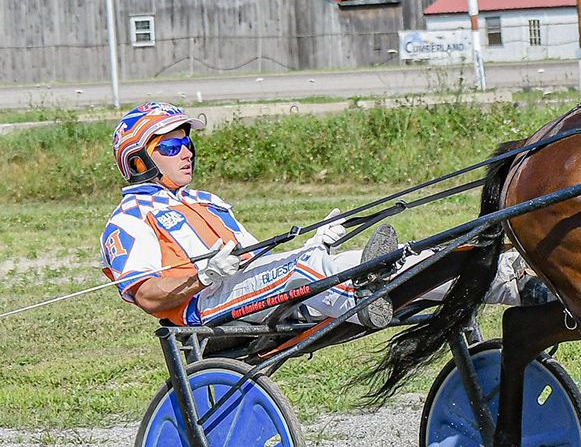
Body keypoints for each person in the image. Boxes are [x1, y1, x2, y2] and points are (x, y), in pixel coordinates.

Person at [100, 102, 540, 330]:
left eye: (187, 143)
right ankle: (363, 300)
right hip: (204, 307)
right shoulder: (128, 220)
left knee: (381, 257)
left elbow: (255, 263)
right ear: (138, 160)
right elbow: (149, 296)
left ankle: (512, 281)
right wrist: (204, 275)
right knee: (307, 270)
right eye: (171, 146)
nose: (186, 152)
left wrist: (315, 243)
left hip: (246, 288)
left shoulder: (206, 200)